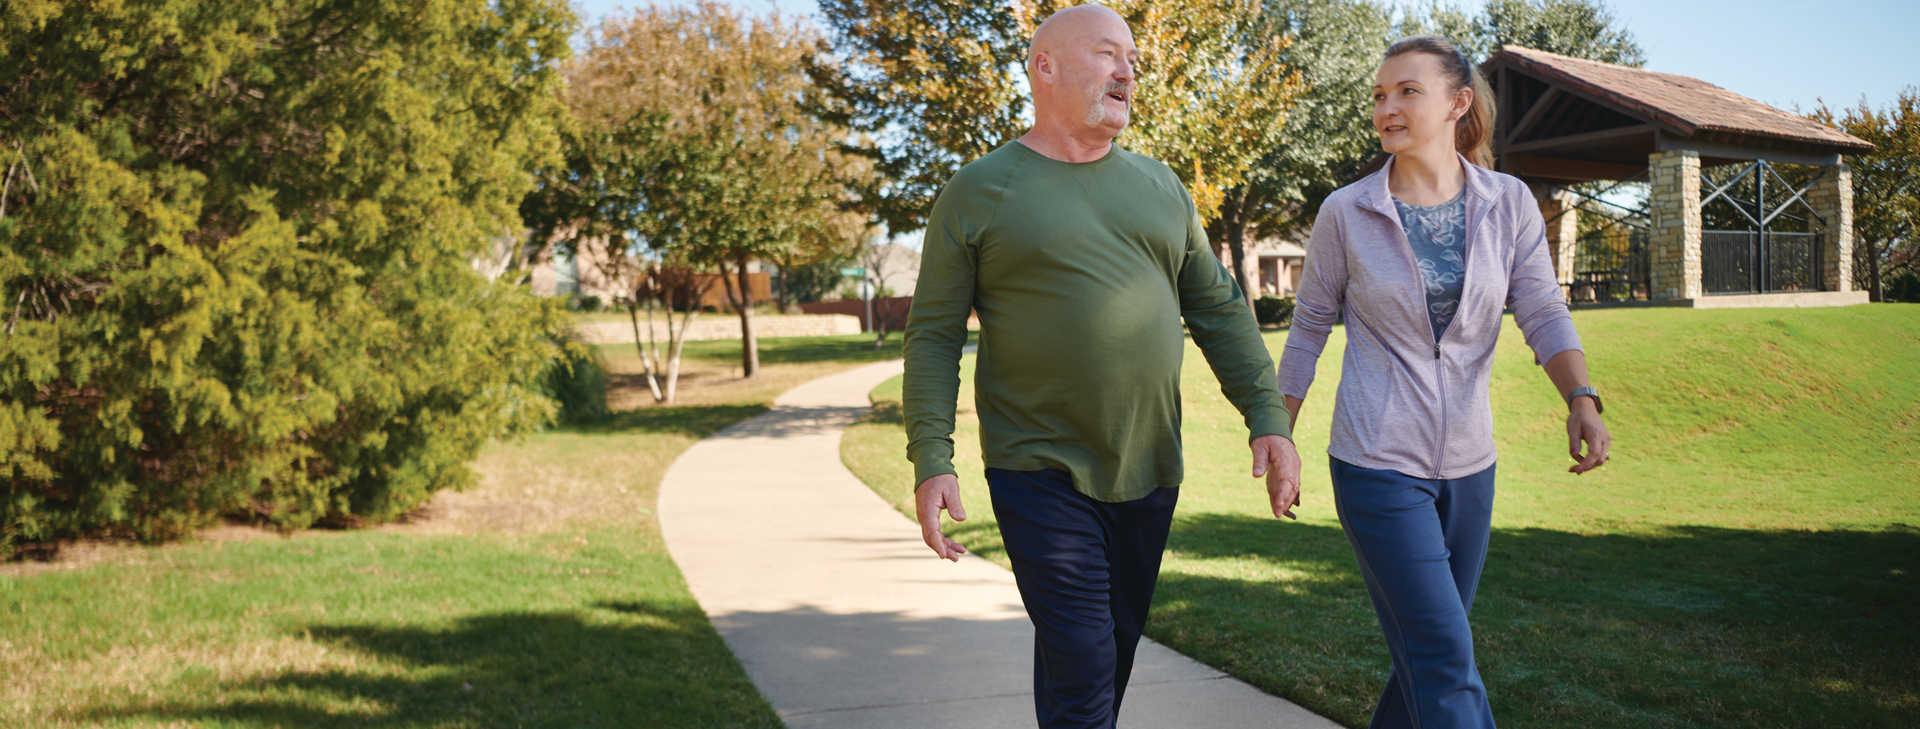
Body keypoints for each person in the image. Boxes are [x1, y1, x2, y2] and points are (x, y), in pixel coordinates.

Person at [900, 5, 1300, 728]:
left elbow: (1217, 309)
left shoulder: (1160, 186)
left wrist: (1267, 416)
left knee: (1099, 661)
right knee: (1085, 662)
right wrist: (933, 456)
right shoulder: (980, 189)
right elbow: (932, 335)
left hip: (1149, 465)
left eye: (1134, 62)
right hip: (1037, 467)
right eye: (1108, 54)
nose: (1128, 72)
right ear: (1044, 67)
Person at [1274, 35, 1614, 728]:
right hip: (1376, 463)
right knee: (1445, 661)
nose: (1387, 107)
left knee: (1425, 660)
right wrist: (1279, 436)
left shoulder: (1508, 202)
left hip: (1470, 466)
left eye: (1407, 91)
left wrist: (1581, 396)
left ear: (1459, 103)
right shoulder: (1348, 211)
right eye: (1379, 95)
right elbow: (1308, 328)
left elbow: (1542, 308)